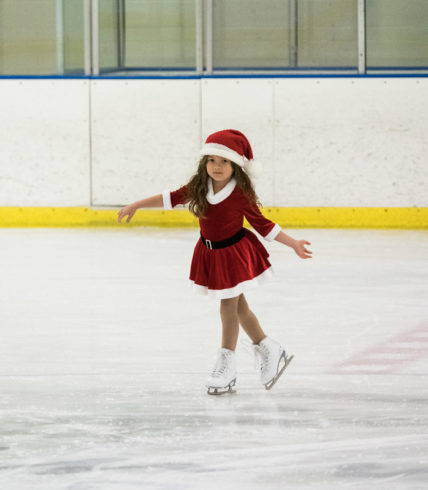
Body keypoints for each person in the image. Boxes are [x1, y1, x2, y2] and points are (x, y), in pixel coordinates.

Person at [118, 129, 312, 395]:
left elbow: (263, 225)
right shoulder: (199, 188)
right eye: (212, 160)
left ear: (236, 166)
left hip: (233, 254)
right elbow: (170, 198)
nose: (217, 167)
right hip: (210, 253)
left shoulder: (241, 195)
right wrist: (136, 205)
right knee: (240, 307)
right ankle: (269, 347)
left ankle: (227, 363)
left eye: (224, 162)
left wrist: (294, 244)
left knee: (228, 306)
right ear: (204, 163)